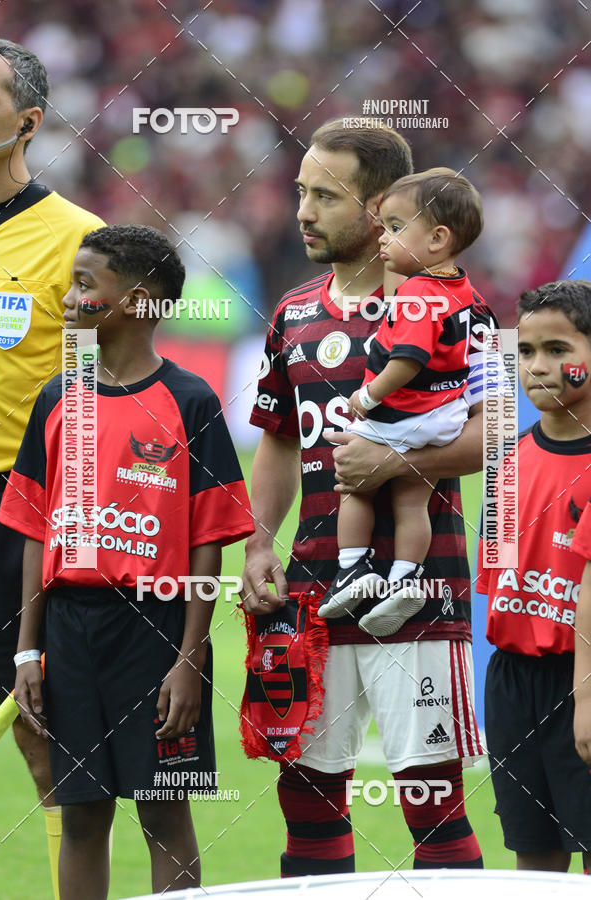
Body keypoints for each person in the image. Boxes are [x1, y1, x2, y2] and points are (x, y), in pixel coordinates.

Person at [243, 120, 492, 876]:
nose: (304, 212)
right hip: (313, 593)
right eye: (300, 193)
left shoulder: (452, 307)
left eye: (325, 195)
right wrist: (259, 543)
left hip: (420, 594)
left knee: (433, 808)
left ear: (381, 203)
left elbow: (499, 437)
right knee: (309, 810)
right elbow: (280, 440)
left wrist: (390, 464)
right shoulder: (292, 312)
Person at [0, 225, 254, 899]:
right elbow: (33, 527)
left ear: (138, 302)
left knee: (165, 815)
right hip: (69, 632)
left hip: (156, 630)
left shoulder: (191, 401)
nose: (70, 298)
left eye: (86, 285)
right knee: (81, 815)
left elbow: (210, 538)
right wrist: (28, 653)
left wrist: (190, 658)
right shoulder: (58, 397)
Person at [0, 36, 104, 897]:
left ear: (26, 121)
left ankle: (73, 854)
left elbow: (108, 392)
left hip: (17, 502)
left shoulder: (79, 241)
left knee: (39, 713)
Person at [319, 169, 484, 637]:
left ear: (437, 239)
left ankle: (352, 569)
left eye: (394, 227)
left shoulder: (414, 292)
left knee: (354, 482)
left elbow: (408, 358)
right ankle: (406, 578)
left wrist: (367, 396)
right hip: (443, 416)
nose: (382, 237)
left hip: (404, 412)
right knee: (413, 502)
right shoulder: (469, 295)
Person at [478, 280, 591, 873]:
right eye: (524, 351)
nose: (538, 366)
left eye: (557, 349)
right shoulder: (508, 458)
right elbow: (499, 585)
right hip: (514, 684)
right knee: (534, 867)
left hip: (585, 679)